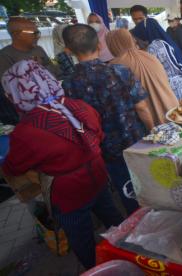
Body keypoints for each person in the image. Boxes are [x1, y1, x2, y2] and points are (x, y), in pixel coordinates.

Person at [1, 60, 124, 269]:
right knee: (114, 219)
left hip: (68, 194)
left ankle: (98, 270)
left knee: (81, 237)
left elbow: (14, 167)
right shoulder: (78, 106)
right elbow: (98, 136)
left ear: (16, 93)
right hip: (98, 175)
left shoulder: (26, 130)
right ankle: (129, 252)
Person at [62, 24, 152, 215]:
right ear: (100, 46)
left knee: (127, 191)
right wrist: (153, 131)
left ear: (68, 50)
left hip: (105, 148)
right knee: (150, 184)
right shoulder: (119, 71)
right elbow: (142, 107)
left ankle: (138, 225)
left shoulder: (69, 83)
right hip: (136, 140)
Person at [106, 29, 179, 125]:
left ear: (112, 45)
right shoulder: (150, 56)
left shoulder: (115, 66)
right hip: (173, 110)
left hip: (150, 119)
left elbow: (139, 105)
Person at [0, 17, 61, 125]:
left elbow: (54, 72)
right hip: (30, 112)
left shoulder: (38, 49)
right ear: (17, 34)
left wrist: (41, 67)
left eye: (38, 32)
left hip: (53, 102)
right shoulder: (4, 56)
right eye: (34, 33)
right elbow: (9, 88)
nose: (37, 36)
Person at [132, 18, 182, 100]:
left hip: (173, 90)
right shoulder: (164, 42)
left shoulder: (153, 47)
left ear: (145, 32)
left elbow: (150, 71)